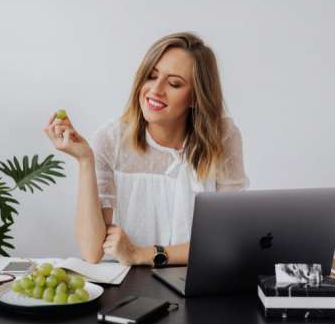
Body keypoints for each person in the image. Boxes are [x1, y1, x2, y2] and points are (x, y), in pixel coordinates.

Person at [44, 32, 249, 267]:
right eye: (151, 76)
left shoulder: (222, 136)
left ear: (195, 98)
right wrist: (85, 161)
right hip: (133, 288)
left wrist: (142, 254)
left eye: (174, 83)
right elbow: (92, 252)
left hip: (202, 280)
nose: (156, 90)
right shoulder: (111, 139)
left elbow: (227, 242)